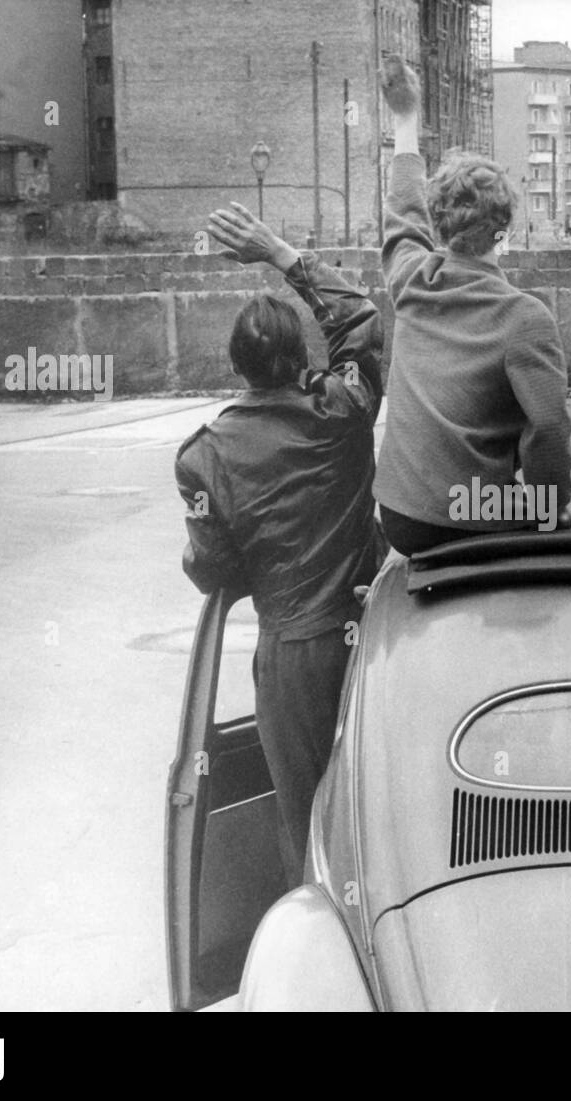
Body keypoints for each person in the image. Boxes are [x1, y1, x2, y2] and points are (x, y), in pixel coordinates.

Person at [174, 202, 385, 887]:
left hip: (291, 651)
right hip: (372, 627)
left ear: (237, 365)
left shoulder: (205, 456)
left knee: (303, 817)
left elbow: (212, 568)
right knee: (378, 809)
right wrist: (282, 254)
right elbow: (360, 320)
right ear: (303, 358)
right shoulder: (343, 409)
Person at [374, 56, 571, 554]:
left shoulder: (411, 279)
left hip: (399, 515)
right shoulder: (525, 317)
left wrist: (405, 119)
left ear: (439, 229)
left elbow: (402, 211)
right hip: (475, 517)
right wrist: (552, 505)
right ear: (504, 230)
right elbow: (547, 429)